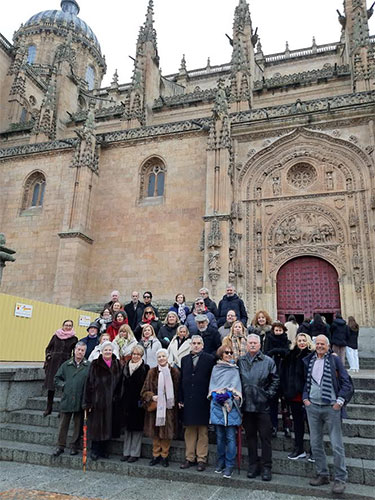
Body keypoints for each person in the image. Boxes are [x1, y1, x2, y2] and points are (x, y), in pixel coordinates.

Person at [303, 335, 352, 495]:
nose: (319, 346)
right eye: (317, 344)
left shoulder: (334, 360)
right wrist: (305, 398)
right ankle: (322, 474)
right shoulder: (310, 360)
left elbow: (346, 381)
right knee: (315, 443)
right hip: (313, 407)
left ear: (328, 346)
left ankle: (340, 479)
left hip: (331, 408)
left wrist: (340, 401)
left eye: (322, 344)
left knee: (337, 445)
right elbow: (307, 381)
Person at [238, 334, 279, 482]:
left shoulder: (268, 361)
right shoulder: (241, 361)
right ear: (247, 345)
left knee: (265, 438)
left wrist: (267, 395)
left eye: (255, 343)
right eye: (250, 343)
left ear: (260, 345)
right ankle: (253, 465)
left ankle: (267, 467)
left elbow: (275, 380)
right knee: (250, 437)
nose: (253, 345)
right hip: (247, 405)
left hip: (263, 406)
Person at [178, 335, 215, 472]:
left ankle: (201, 459)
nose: (196, 345)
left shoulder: (209, 359)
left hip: (203, 399)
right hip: (188, 399)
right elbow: (181, 380)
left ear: (203, 345)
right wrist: (180, 399)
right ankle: (189, 457)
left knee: (203, 431)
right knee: (189, 431)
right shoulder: (184, 360)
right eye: (194, 343)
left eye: (199, 343)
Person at [83, 341, 122, 461]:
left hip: (111, 402)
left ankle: (104, 450)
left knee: (108, 426)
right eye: (106, 350)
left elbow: (120, 383)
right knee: (96, 426)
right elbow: (89, 383)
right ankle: (95, 450)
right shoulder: (95, 364)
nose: (108, 352)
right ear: (102, 351)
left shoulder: (117, 364)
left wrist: (117, 397)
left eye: (110, 350)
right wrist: (87, 402)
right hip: (97, 400)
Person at [141, 348, 180, 467]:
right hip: (155, 408)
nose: (161, 358)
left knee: (167, 434)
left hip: (169, 408)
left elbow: (178, 391)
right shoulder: (152, 372)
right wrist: (152, 397)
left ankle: (164, 456)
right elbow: (144, 391)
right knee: (156, 433)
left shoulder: (174, 372)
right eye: (159, 357)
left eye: (163, 356)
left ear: (167, 357)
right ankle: (155, 455)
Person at [209, 345, 242, 478]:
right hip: (217, 406)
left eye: (230, 353)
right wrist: (217, 395)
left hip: (231, 406)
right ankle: (221, 462)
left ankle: (229, 465)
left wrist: (229, 394)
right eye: (226, 353)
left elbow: (237, 386)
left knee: (230, 437)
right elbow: (212, 385)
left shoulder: (235, 369)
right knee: (220, 437)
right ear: (221, 354)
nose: (228, 355)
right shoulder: (216, 369)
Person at [280, 332, 315, 460]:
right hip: (294, 396)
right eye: (299, 340)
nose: (301, 343)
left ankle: (314, 449)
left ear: (308, 342)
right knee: (298, 424)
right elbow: (283, 373)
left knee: (312, 424)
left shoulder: (313, 356)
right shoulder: (290, 356)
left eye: (304, 340)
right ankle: (298, 448)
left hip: (309, 396)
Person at [52, 342, 90, 457]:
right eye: (78, 349)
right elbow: (57, 378)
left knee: (78, 425)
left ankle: (74, 446)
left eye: (83, 350)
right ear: (75, 350)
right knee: (63, 424)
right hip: (67, 398)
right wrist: (64, 385)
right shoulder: (66, 365)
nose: (80, 352)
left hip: (80, 399)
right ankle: (60, 445)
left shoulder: (88, 365)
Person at [120, 345, 149, 463]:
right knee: (127, 429)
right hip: (126, 401)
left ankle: (134, 453)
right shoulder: (125, 367)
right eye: (134, 354)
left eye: (138, 354)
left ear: (141, 356)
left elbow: (147, 386)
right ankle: (126, 452)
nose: (135, 356)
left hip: (138, 402)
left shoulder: (145, 368)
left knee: (136, 429)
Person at [43, 319, 78, 417]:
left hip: (65, 363)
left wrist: (72, 361)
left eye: (70, 325)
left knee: (64, 387)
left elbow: (75, 352)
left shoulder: (74, 339)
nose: (68, 327)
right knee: (51, 387)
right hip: (53, 363)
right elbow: (48, 348)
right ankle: (48, 408)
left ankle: (62, 409)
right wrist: (49, 356)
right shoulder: (56, 336)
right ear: (63, 326)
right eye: (66, 325)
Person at [263, 321, 291, 438]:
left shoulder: (286, 341)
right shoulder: (268, 340)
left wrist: (277, 352)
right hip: (271, 376)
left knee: (285, 404)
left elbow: (288, 354)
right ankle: (273, 426)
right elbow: (266, 354)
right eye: (276, 330)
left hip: (284, 376)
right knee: (272, 404)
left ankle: (287, 426)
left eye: (280, 330)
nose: (278, 332)